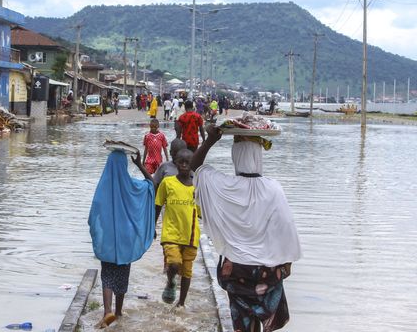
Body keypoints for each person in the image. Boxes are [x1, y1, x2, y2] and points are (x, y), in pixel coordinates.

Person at [191, 127, 302, 332]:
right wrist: (286, 264)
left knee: (243, 326)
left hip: (236, 270)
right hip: (267, 272)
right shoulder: (273, 188)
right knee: (265, 322)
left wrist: (211, 140)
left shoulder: (222, 185)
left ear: (235, 156)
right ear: (259, 156)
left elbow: (195, 166)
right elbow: (285, 227)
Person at [88, 150, 155, 329]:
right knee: (122, 274)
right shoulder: (132, 186)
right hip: (127, 238)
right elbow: (151, 184)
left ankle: (106, 311)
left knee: (107, 275)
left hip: (109, 239)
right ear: (125, 166)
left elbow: (94, 214)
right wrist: (140, 165)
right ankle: (118, 312)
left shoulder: (104, 185)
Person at [155, 149, 200, 307]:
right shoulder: (168, 183)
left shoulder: (197, 187)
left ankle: (181, 303)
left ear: (192, 164)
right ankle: (170, 280)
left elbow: (202, 213)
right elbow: (158, 205)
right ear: (175, 163)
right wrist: (152, 226)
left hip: (190, 235)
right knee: (174, 264)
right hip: (171, 233)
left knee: (187, 271)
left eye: (187, 162)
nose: (184, 164)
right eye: (181, 161)